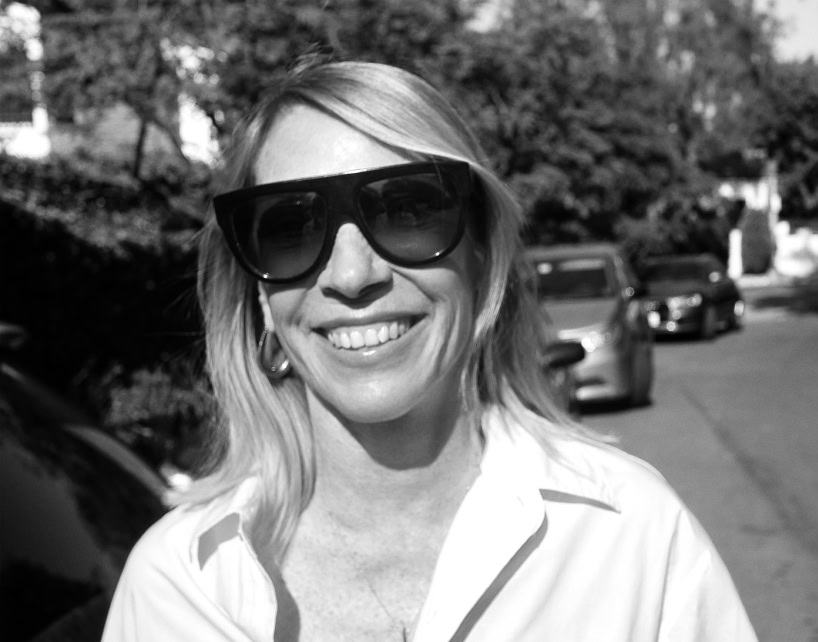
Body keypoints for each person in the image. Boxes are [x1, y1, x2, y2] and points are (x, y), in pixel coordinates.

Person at [103, 56, 757, 642]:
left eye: (407, 211)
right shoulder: (176, 588)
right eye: (290, 228)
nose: (353, 276)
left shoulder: (631, 537)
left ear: (480, 257)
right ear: (258, 298)